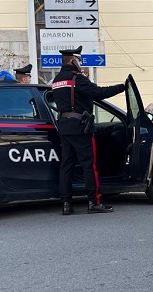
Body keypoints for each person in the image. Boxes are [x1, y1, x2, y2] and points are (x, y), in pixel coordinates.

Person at [52, 46, 125, 215]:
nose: (81, 62)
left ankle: (66, 204)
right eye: (79, 60)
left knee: (66, 166)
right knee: (89, 166)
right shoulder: (78, 79)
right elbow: (99, 93)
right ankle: (94, 202)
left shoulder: (56, 81)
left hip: (64, 127)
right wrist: (121, 87)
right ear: (73, 61)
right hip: (80, 128)